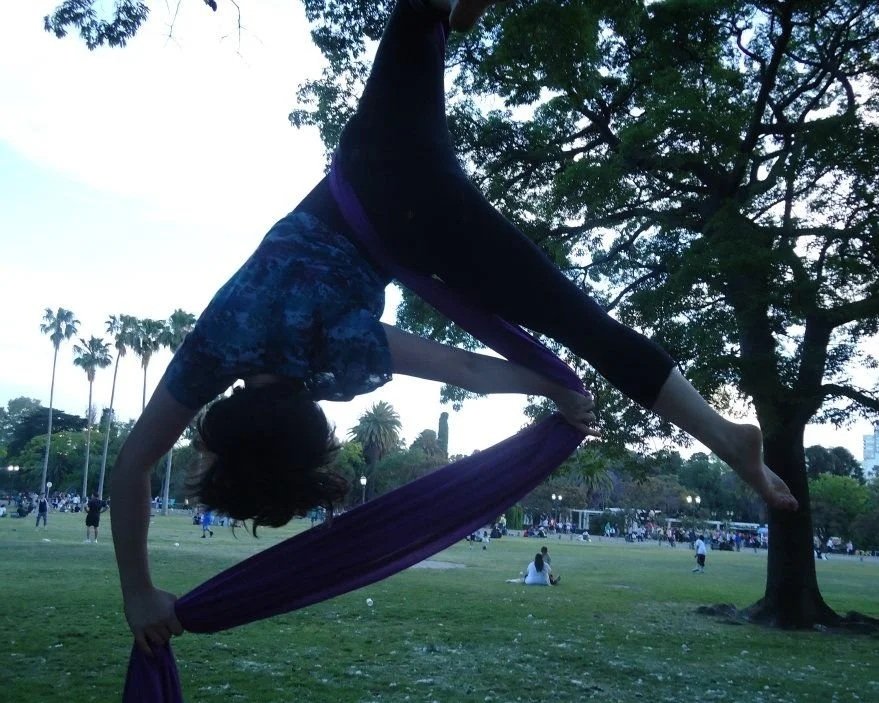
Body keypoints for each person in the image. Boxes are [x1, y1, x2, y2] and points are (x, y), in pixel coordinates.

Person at [111, 0, 797, 657]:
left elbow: (469, 369)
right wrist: (134, 588)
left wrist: (551, 387)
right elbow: (131, 468)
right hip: (378, 168)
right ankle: (440, 16)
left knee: (582, 324)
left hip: (426, 226)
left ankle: (725, 437)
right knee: (415, 13)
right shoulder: (215, 342)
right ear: (230, 425)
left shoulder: (334, 358)